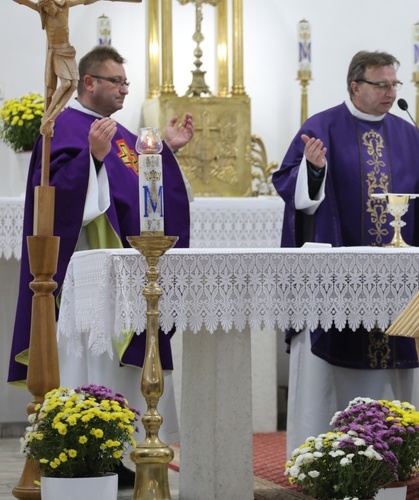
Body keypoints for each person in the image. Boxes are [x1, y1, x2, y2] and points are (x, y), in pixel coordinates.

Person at [273, 50, 419, 457]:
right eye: (381, 84)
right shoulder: (322, 127)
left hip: (393, 283)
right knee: (327, 371)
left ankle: (392, 454)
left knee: (391, 363)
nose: (391, 92)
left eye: (394, 84)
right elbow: (290, 185)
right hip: (337, 281)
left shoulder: (407, 132)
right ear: (356, 86)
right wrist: (314, 169)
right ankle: (318, 455)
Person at [8, 45, 194, 482]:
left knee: (125, 365)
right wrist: (89, 158)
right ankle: (90, 452)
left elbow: (139, 190)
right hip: (86, 278)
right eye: (117, 81)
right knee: (93, 362)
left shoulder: (122, 133)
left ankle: (128, 453)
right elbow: (53, 199)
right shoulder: (63, 127)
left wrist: (165, 152)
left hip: (128, 279)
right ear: (89, 82)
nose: (125, 90)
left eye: (126, 82)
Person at [13, 0, 101, 135]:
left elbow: (84, 0)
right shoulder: (41, 10)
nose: (49, 11)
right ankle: (48, 117)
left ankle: (50, 117)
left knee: (73, 85)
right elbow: (23, 2)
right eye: (46, 9)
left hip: (68, 50)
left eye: (50, 7)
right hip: (56, 52)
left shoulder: (65, 5)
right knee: (65, 84)